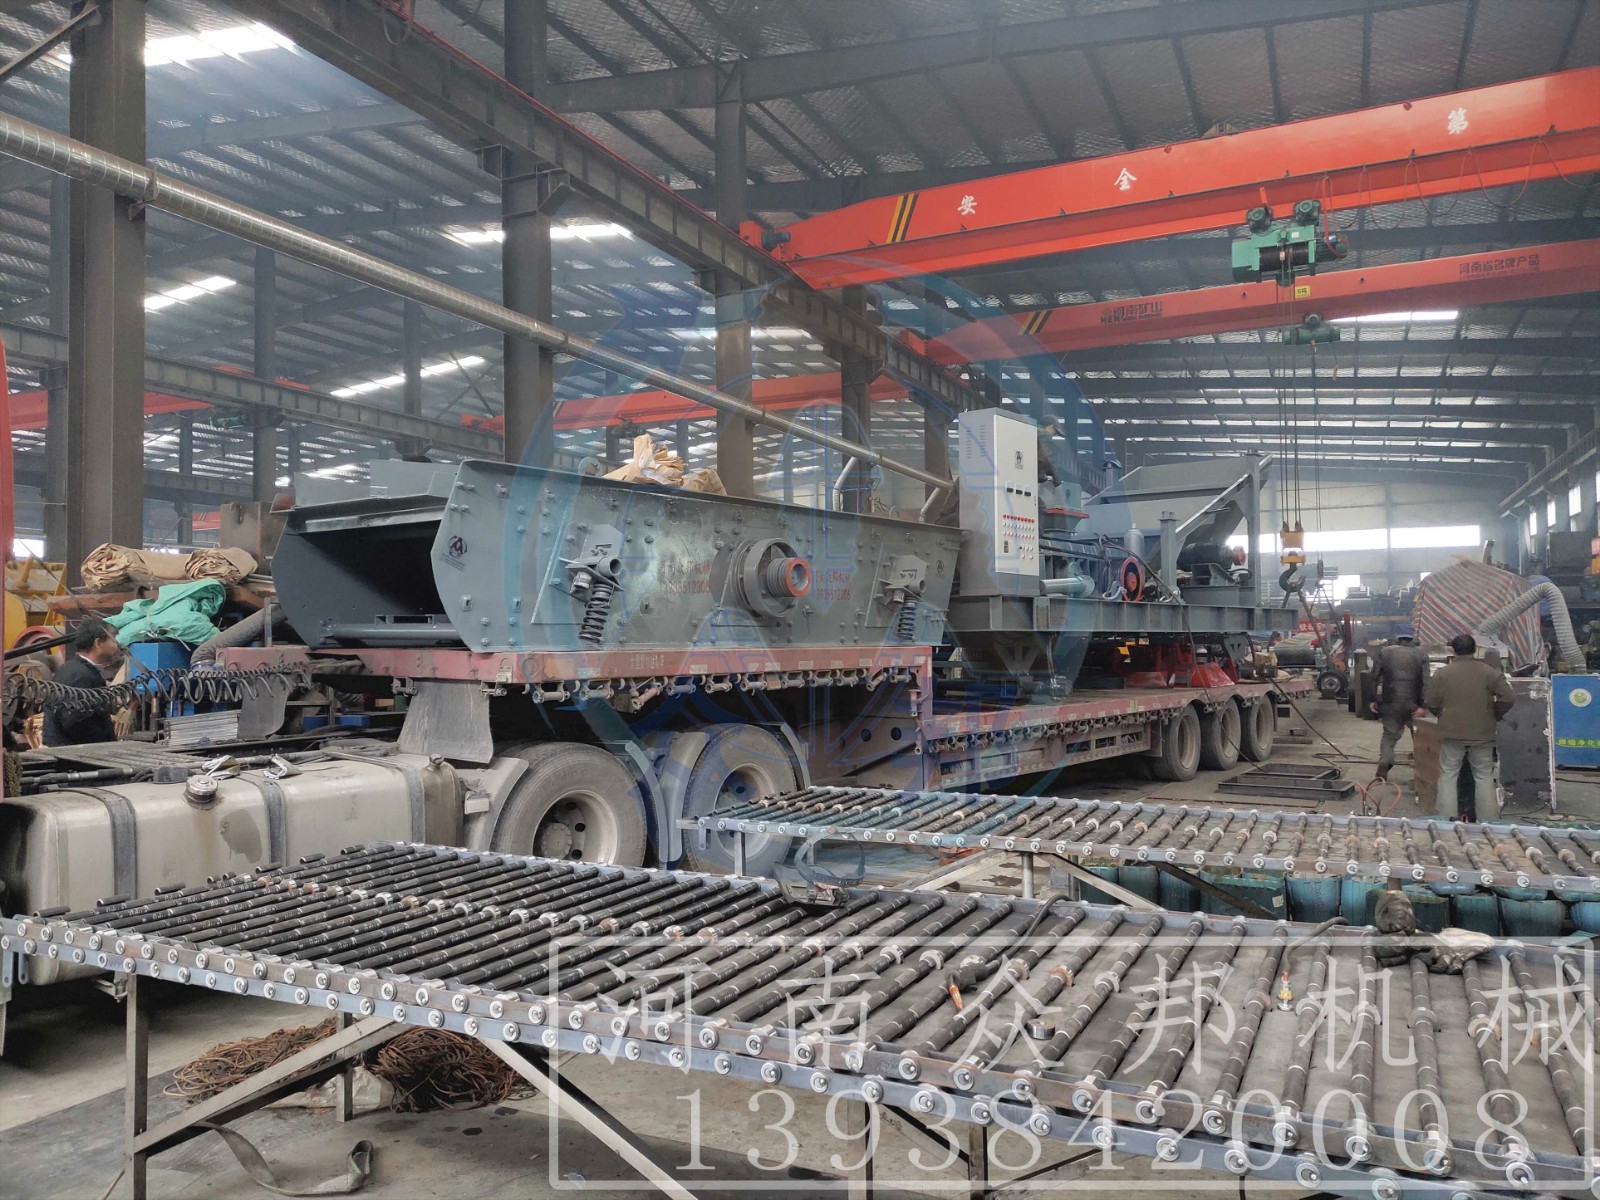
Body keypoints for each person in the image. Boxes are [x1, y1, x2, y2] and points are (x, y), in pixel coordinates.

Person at [1423, 633, 1514, 821]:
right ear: (1475, 650)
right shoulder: (1489, 672)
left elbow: (1430, 701)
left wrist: (1443, 715)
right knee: (1483, 775)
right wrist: (1494, 714)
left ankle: (1447, 820)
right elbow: (1508, 698)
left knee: (1448, 774)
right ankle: (1488, 821)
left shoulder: (1442, 673)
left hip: (1451, 732)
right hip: (1482, 733)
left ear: (1453, 650)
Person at [41, 619, 121, 747]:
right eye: (113, 639)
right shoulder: (80, 675)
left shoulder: (73, 668)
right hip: (72, 752)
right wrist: (102, 744)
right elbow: (74, 721)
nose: (116, 645)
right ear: (98, 643)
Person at [1369, 627, 1429, 782]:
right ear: (1412, 639)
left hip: (1390, 703)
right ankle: (1422, 776)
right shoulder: (1421, 655)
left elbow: (1374, 677)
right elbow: (1426, 683)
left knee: (1389, 736)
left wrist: (1373, 699)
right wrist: (1424, 706)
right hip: (1413, 704)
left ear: (1397, 638)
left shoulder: (1385, 652)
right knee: (1419, 739)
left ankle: (1384, 762)